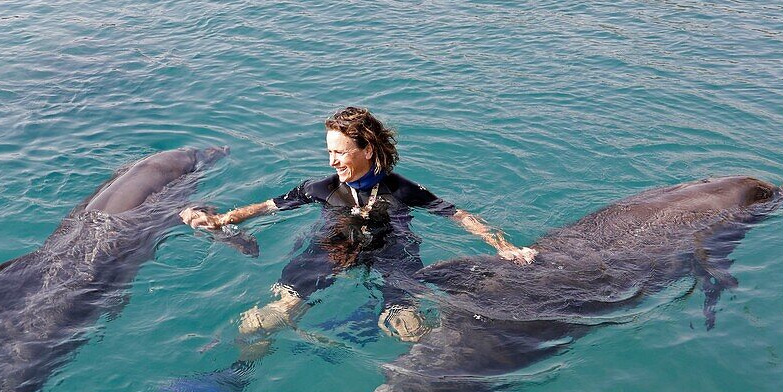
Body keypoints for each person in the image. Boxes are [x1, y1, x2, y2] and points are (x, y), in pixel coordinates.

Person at [181, 106, 537, 341]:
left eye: (341, 152)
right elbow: (266, 207)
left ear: (367, 150)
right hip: (331, 249)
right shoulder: (319, 188)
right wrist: (220, 219)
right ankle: (241, 375)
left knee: (409, 328)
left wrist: (503, 246)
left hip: (393, 251)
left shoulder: (402, 189)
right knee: (264, 320)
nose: (333, 161)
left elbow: (456, 214)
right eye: (329, 152)